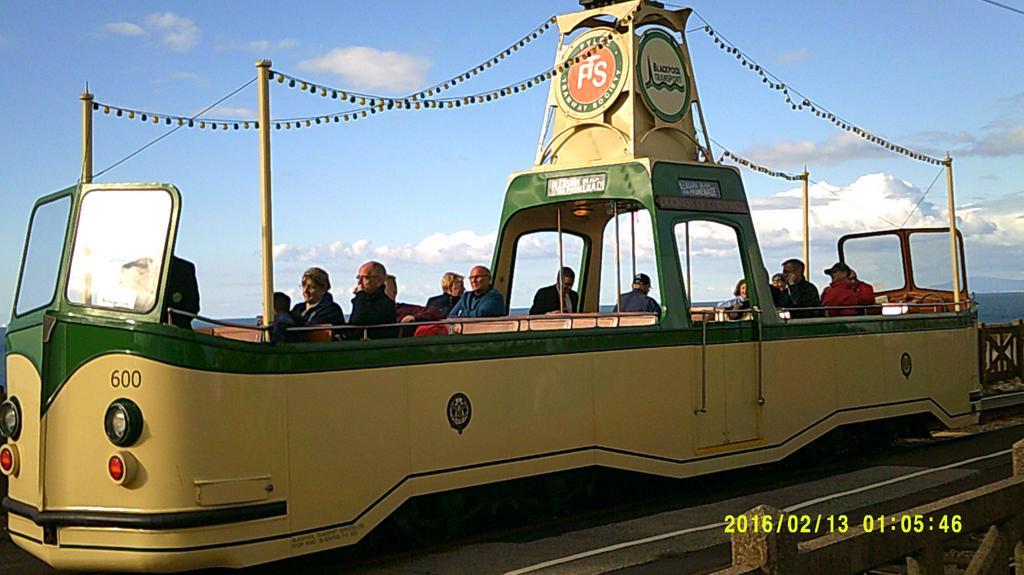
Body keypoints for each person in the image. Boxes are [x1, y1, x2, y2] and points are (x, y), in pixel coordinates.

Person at [349, 261, 398, 339]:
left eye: (365, 278)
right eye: (359, 278)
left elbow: (359, 319)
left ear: (378, 281)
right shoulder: (364, 300)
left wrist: (360, 295)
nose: (359, 283)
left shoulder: (386, 303)